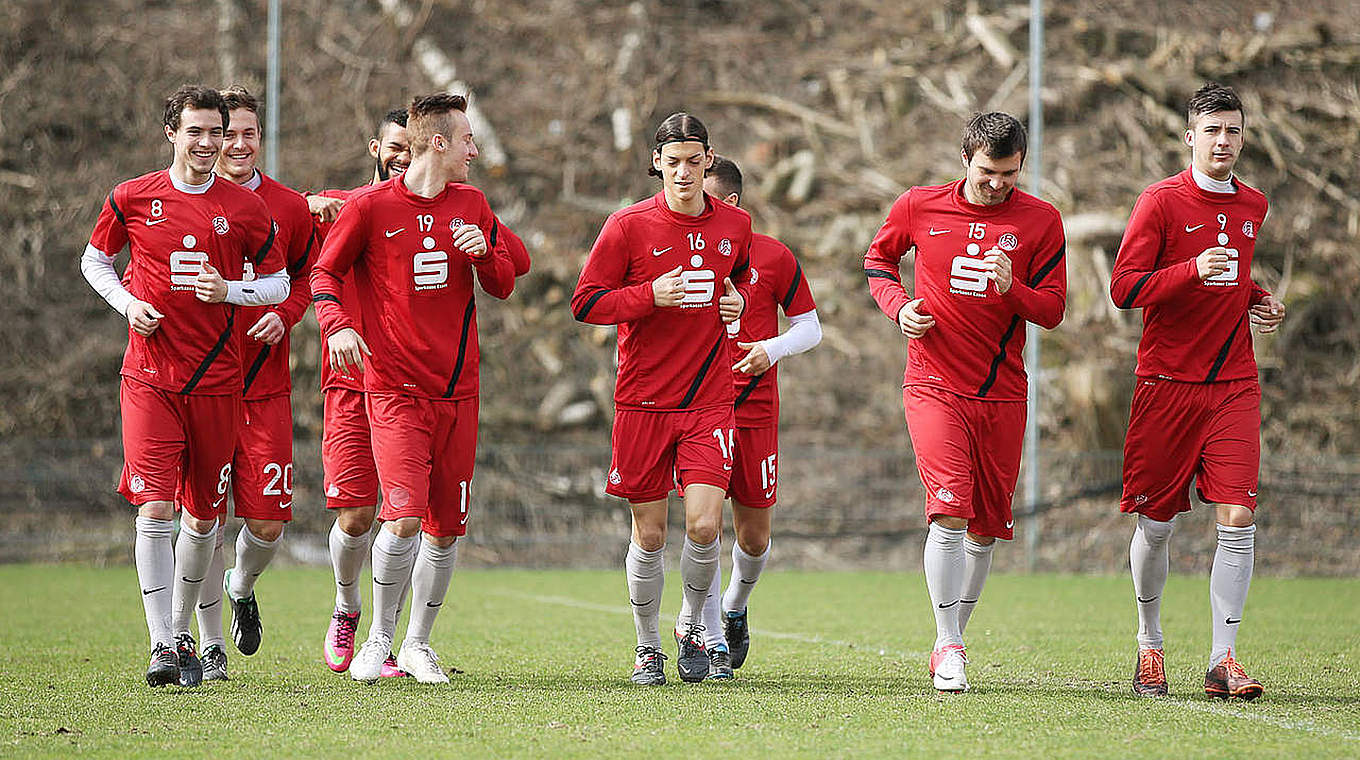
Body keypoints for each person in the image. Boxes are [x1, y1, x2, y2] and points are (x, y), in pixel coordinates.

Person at [311, 109, 530, 678]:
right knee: (402, 516)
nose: (473, 151)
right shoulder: (370, 207)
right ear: (439, 141)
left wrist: (483, 250)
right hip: (394, 390)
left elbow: (505, 283)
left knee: (445, 527)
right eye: (466, 140)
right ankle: (376, 642)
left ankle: (417, 643)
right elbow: (323, 274)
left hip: (459, 392)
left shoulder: (472, 204)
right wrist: (339, 325)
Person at [81, 84, 287, 687]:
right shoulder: (131, 197)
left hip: (220, 381)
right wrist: (126, 302)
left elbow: (277, 285)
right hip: (148, 376)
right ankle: (163, 644)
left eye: (215, 133)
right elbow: (95, 262)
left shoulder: (247, 210)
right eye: (194, 131)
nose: (206, 143)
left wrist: (231, 292)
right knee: (155, 507)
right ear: (171, 133)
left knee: (204, 520)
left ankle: (184, 631)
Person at [863, 112, 1067, 693]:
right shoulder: (919, 206)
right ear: (964, 159)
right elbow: (878, 262)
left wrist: (1013, 288)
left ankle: (947, 637)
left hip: (1003, 392)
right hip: (933, 382)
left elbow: (1052, 310)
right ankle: (951, 643)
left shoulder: (1041, 221)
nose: (998, 184)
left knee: (984, 530)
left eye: (1009, 173)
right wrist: (898, 307)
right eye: (986, 173)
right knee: (948, 508)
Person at [1110, 82, 1284, 700]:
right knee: (1156, 523)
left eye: (1233, 131)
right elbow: (1124, 289)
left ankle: (1223, 659)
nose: (1223, 141)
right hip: (1165, 384)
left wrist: (1259, 300)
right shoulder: (1159, 202)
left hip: (1234, 382)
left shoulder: (1253, 205)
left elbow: (1232, 278)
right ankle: (1150, 645)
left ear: (1243, 136)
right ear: (1190, 137)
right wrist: (1188, 272)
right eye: (1212, 131)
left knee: (1238, 515)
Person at [571, 113, 751, 685]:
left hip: (709, 402)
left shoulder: (736, 225)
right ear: (657, 164)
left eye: (693, 161)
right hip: (643, 403)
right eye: (672, 162)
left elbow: (740, 281)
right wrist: (650, 294)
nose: (683, 172)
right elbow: (586, 302)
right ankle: (647, 647)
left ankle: (693, 625)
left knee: (703, 527)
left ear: (708, 160)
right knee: (649, 535)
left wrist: (738, 305)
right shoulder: (627, 226)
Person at [184, 86, 316, 682]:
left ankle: (242, 584)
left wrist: (285, 315)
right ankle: (204, 641)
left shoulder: (289, 207)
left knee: (266, 522)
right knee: (202, 515)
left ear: (260, 139)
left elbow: (313, 276)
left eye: (246, 134)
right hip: (202, 380)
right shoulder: (184, 201)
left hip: (263, 386)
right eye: (225, 134)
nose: (236, 145)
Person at [691, 156, 820, 679]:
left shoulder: (772, 257)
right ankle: (705, 634)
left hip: (756, 410)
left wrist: (771, 348)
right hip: (697, 408)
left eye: (707, 197)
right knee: (703, 525)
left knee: (754, 538)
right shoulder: (676, 253)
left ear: (733, 205)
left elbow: (811, 328)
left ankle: (734, 606)